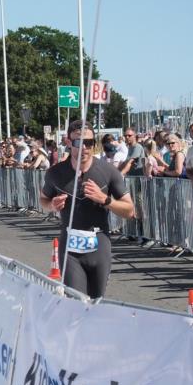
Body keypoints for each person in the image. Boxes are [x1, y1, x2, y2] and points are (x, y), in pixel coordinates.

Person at [39, 119, 135, 299]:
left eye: (89, 143)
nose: (84, 148)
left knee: (96, 304)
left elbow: (130, 210)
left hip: (99, 245)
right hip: (70, 247)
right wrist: (51, 205)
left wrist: (105, 200)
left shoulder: (108, 172)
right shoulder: (55, 173)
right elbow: (43, 199)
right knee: (77, 303)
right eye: (78, 142)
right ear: (68, 142)